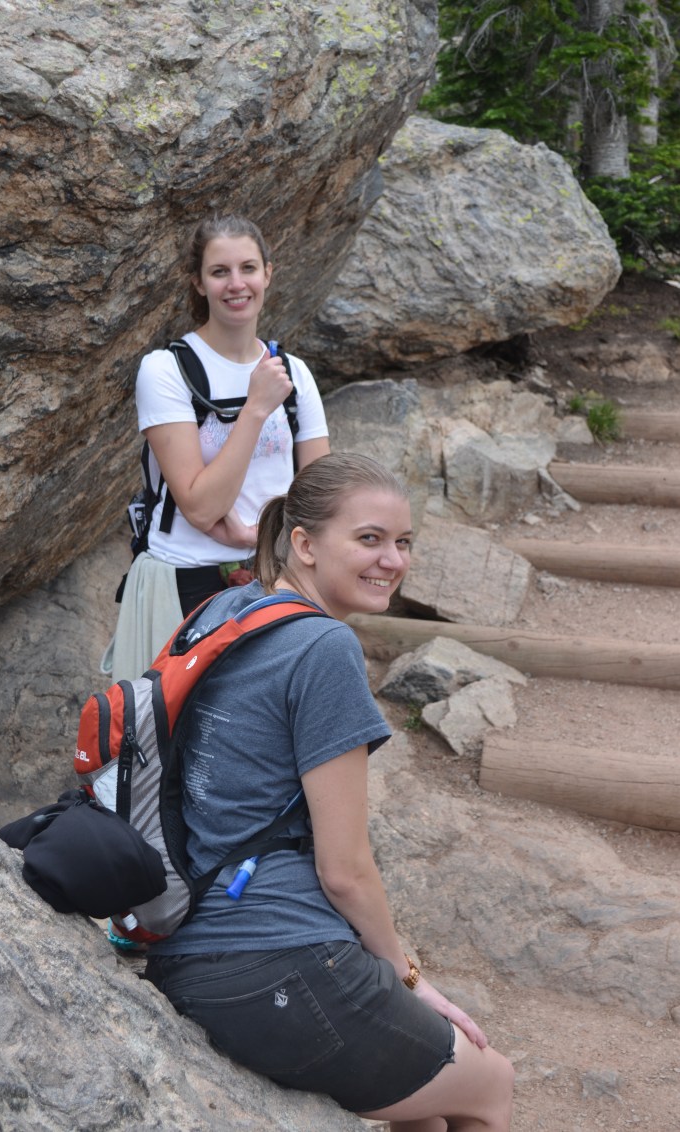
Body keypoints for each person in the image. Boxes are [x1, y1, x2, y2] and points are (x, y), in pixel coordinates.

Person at [145, 453, 515, 1131]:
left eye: (403, 542)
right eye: (370, 539)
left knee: (428, 1115)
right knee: (491, 1085)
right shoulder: (323, 647)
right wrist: (408, 976)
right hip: (274, 960)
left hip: (179, 946)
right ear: (306, 544)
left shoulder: (224, 610)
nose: (393, 561)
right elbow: (343, 871)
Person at [106, 213, 330, 681]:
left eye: (248, 268)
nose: (236, 284)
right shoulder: (166, 370)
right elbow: (202, 507)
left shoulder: (293, 373)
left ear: (268, 273)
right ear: (198, 282)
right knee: (181, 721)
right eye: (219, 271)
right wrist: (255, 408)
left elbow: (320, 497)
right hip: (186, 582)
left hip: (277, 576)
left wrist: (257, 536)